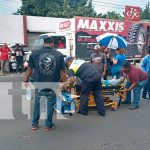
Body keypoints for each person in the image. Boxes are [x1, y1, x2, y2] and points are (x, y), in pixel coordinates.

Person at [24, 37, 66, 131]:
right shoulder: (59, 55)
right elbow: (62, 71)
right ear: (52, 44)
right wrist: (64, 83)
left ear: (44, 43)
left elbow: (30, 69)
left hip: (39, 84)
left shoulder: (34, 54)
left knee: (37, 104)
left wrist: (26, 80)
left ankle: (34, 124)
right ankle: (48, 125)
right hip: (52, 84)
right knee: (50, 105)